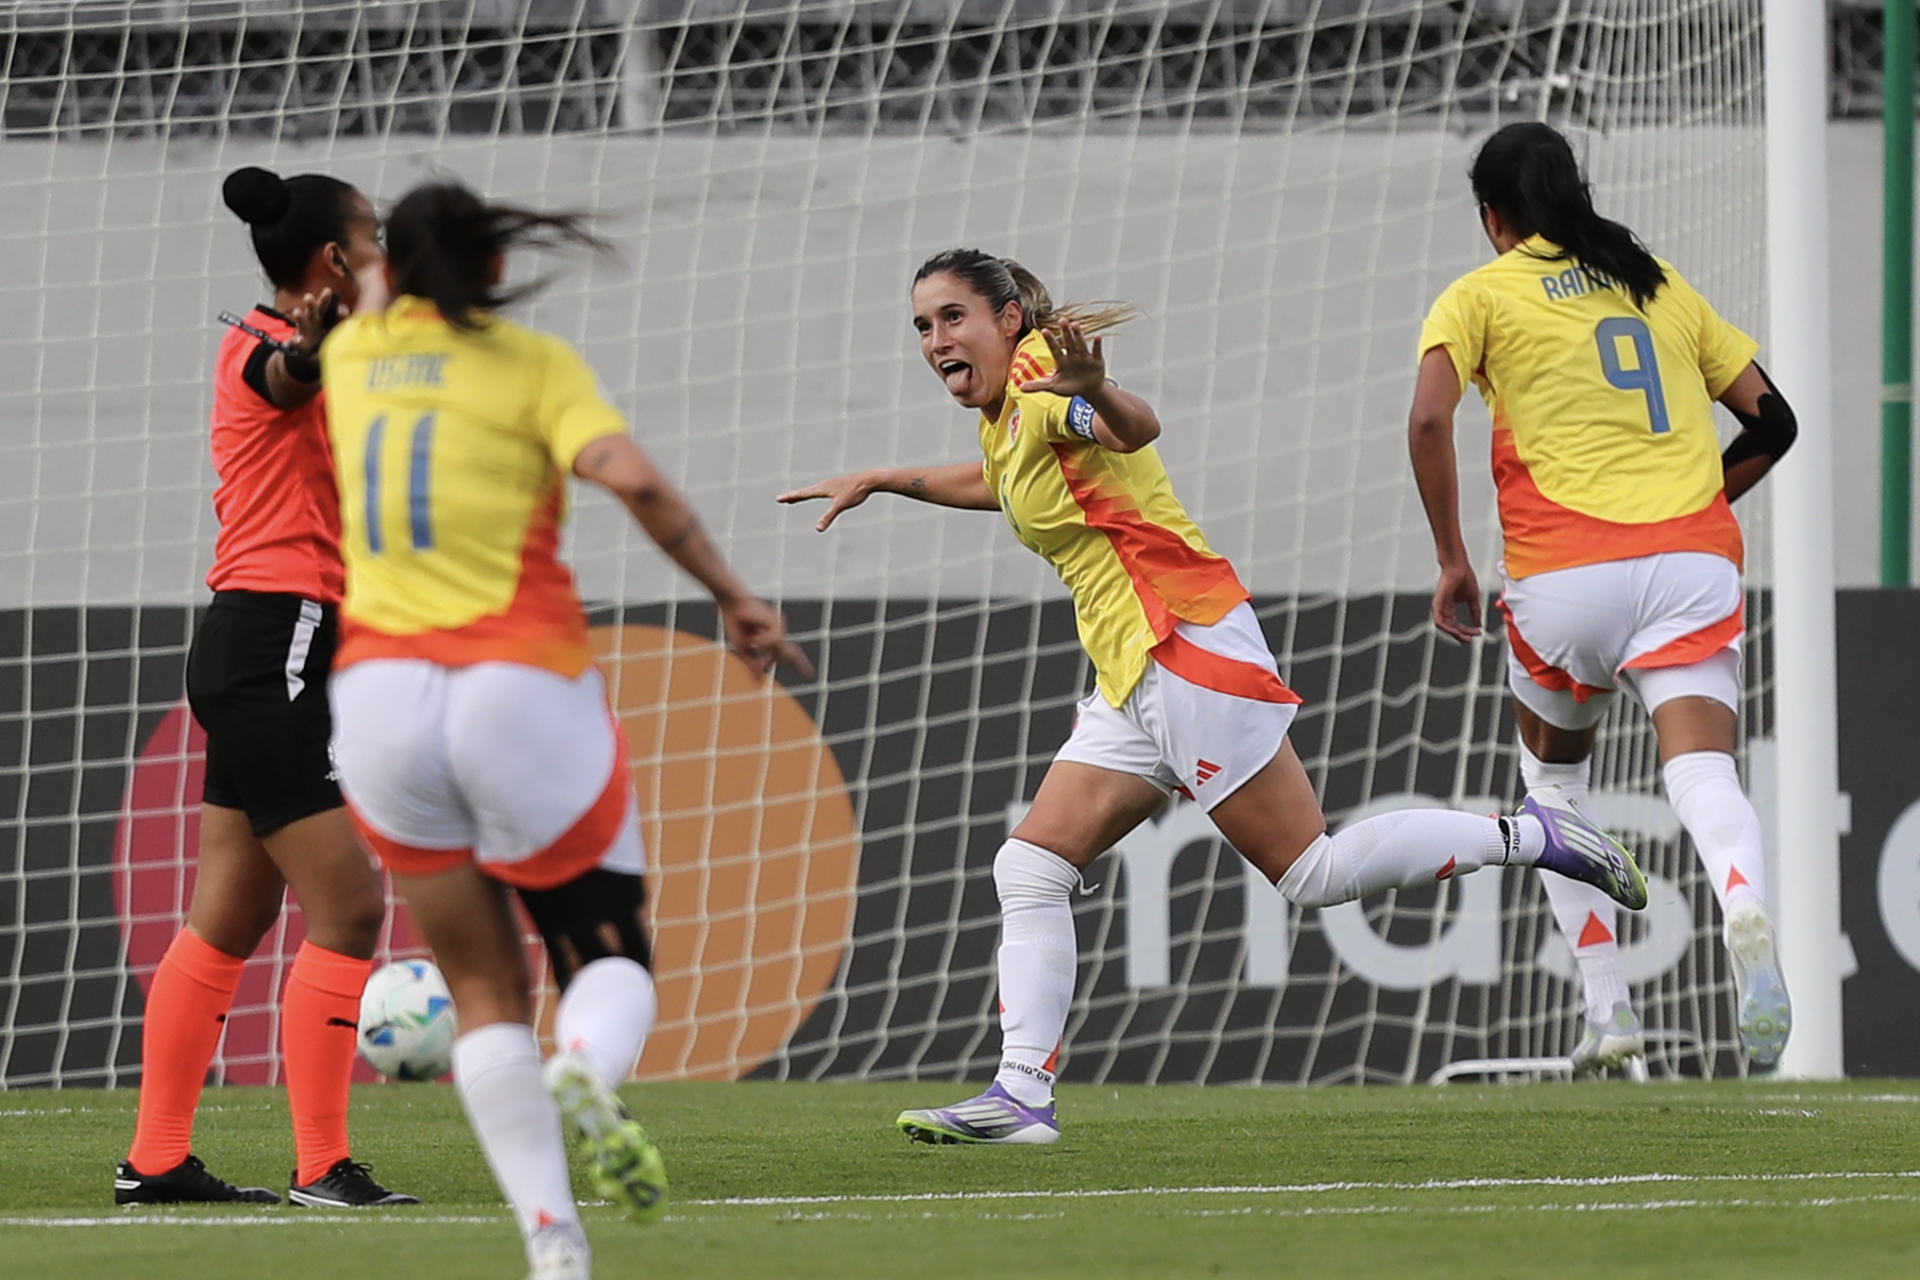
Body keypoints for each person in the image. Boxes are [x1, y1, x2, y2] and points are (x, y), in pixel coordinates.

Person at [779, 249, 1647, 1146]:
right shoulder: (1003, 419)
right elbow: (999, 484)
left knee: (1311, 874)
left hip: (1182, 644)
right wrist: (885, 479)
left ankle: (1532, 835)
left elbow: (1128, 429)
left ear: (1006, 319)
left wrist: (1099, 391)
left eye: (952, 317)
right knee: (1031, 866)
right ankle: (1022, 1096)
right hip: (1133, 669)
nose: (935, 339)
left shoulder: (1042, 374)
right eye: (922, 325)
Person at [320, 179, 809, 1280]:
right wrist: (735, 594)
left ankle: (553, 1243)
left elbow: (358, 285)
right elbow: (634, 479)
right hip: (515, 680)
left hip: (380, 700)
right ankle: (586, 1060)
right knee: (607, 952)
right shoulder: (533, 367)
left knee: (482, 987)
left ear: (388, 270)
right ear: (496, 268)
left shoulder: (353, 352)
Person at [1406, 122, 1798, 1075]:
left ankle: (1609, 1011)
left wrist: (1453, 559)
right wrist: (1694, 505)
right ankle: (1743, 904)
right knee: (1705, 775)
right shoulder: (1654, 278)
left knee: (1553, 788)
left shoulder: (1480, 295)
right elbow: (1772, 420)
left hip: (1565, 575)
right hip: (1690, 564)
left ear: (1493, 218)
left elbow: (1427, 417)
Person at [117, 167, 415, 1209]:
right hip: (272, 642)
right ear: (333, 261)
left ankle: (154, 1158)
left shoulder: (339, 350)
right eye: (371, 237)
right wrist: (325, 336)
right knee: (350, 903)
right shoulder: (261, 348)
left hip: (268, 644)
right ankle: (323, 1165)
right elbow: (286, 374)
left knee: (227, 919)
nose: (383, 251)